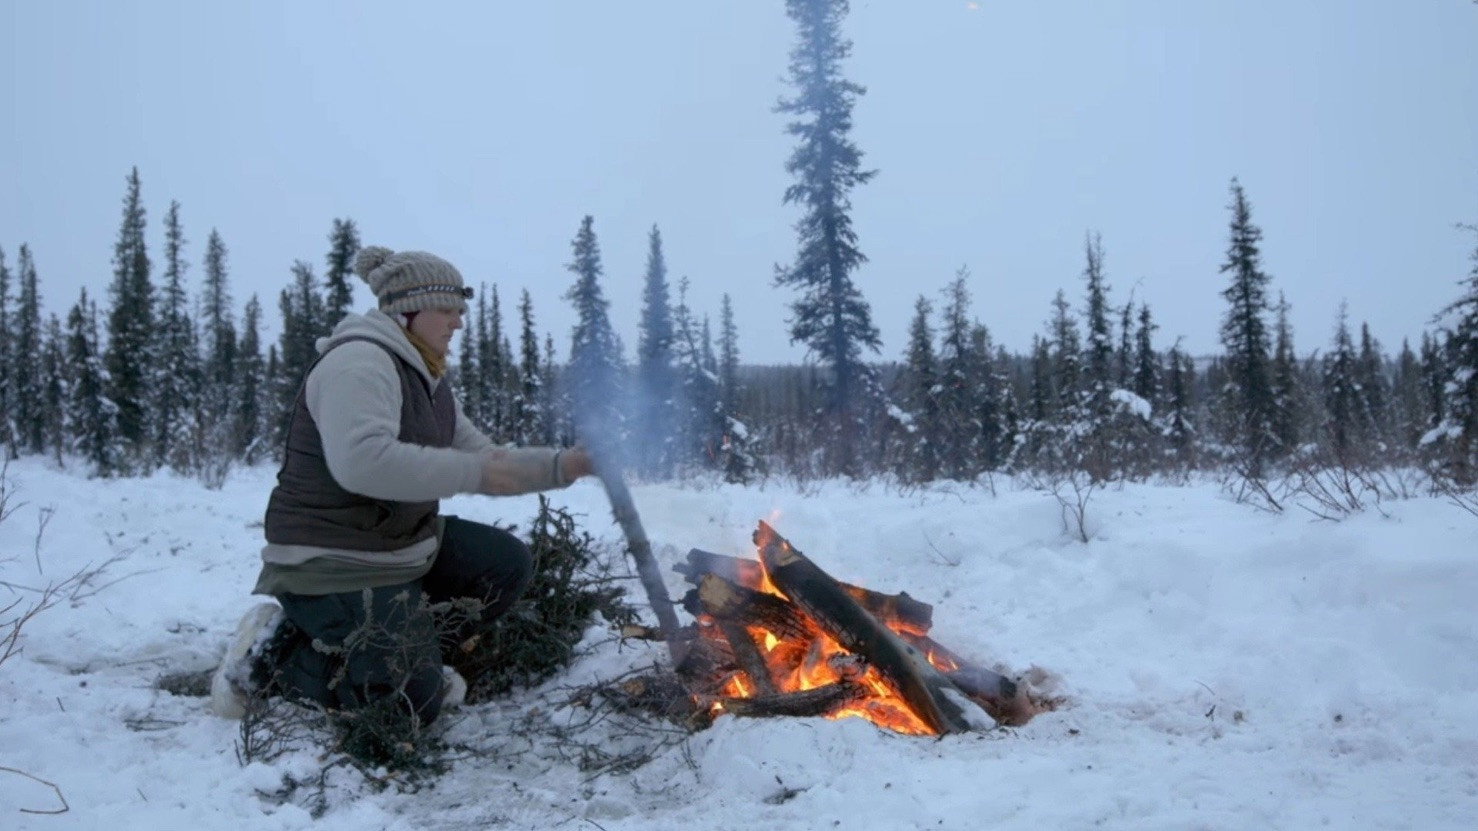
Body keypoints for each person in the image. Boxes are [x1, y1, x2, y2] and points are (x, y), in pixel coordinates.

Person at [209, 245, 594, 726]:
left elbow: (485, 457)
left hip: (400, 550)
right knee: (409, 701)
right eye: (447, 310)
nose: (457, 322)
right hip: (329, 561)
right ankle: (268, 663)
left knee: (504, 563)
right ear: (406, 310)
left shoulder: (425, 376)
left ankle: (408, 656)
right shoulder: (359, 364)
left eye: (461, 310)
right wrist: (472, 473)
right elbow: (363, 464)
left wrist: (567, 465)